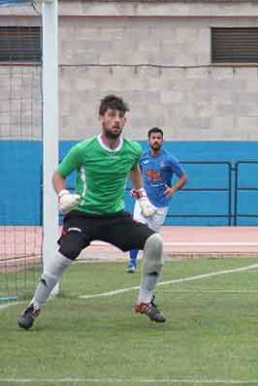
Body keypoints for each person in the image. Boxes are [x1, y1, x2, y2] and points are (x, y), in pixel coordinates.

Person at [18, 95, 167, 330]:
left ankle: (144, 301)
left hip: (115, 218)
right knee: (64, 255)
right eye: (111, 115)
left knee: (155, 242)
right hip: (83, 216)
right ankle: (33, 306)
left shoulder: (133, 149)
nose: (116, 120)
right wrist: (63, 195)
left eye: (120, 116)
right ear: (101, 118)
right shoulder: (83, 149)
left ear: (125, 121)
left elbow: (134, 169)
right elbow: (58, 175)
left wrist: (142, 195)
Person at [126, 127, 187, 273]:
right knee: (135, 229)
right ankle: (132, 262)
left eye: (158, 138)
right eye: (153, 138)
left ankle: (150, 263)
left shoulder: (169, 159)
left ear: (162, 140)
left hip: (161, 203)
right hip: (143, 200)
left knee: (150, 237)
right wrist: (136, 188)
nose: (156, 140)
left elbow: (184, 177)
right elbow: (136, 173)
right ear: (148, 140)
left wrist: (173, 189)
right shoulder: (143, 157)